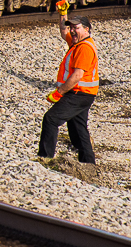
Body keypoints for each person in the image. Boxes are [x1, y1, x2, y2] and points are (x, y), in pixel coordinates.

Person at [38, 13, 99, 164]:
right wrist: (62, 14)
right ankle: (88, 164)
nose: (72, 31)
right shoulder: (77, 42)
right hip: (83, 94)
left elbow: (77, 75)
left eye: (76, 28)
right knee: (78, 129)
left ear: (86, 29)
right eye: (71, 27)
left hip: (79, 94)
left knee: (51, 119)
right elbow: (63, 32)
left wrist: (59, 93)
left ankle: (45, 159)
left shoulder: (84, 48)